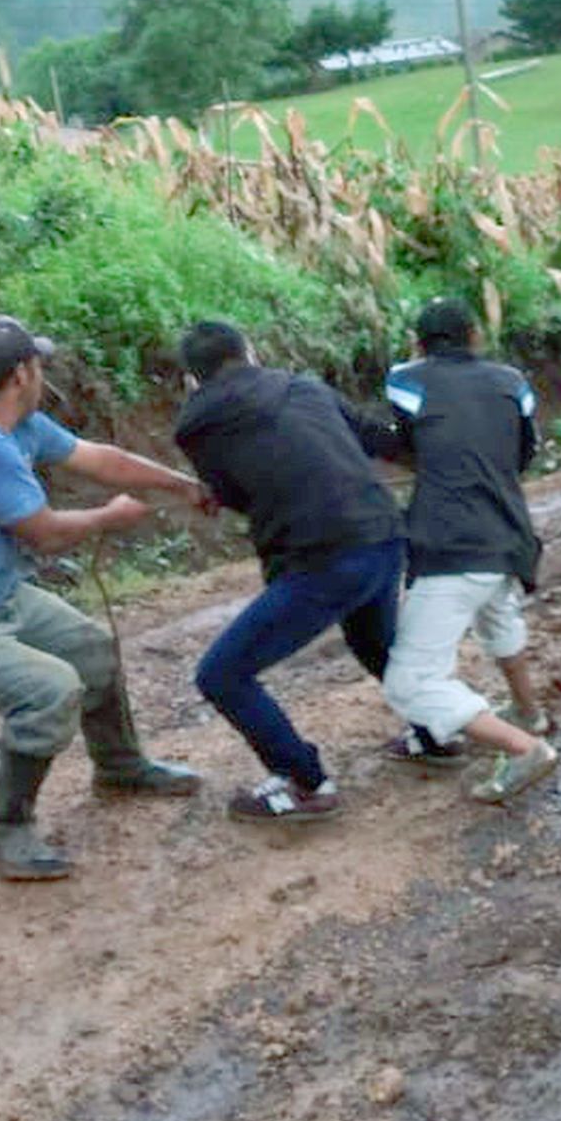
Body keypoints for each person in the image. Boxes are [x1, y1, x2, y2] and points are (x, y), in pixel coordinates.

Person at [0, 314, 204, 881]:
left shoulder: (11, 425)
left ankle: (120, 767)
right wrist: (110, 516)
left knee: (90, 649)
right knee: (51, 690)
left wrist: (181, 484)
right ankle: (7, 831)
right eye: (39, 363)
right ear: (23, 373)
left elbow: (98, 458)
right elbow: (44, 534)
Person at [174, 321, 405, 824]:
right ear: (250, 351)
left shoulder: (195, 424)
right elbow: (375, 438)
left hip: (320, 557)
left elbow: (233, 495)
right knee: (376, 646)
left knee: (222, 674)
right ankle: (437, 732)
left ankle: (305, 783)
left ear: (193, 378)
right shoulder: (305, 386)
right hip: (384, 534)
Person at [378, 297, 558, 805]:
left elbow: (406, 441)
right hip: (507, 532)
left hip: (450, 541)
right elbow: (523, 453)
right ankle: (530, 712)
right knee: (499, 619)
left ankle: (526, 748)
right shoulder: (511, 382)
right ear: (475, 335)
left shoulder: (405, 380)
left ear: (419, 342)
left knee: (409, 684)